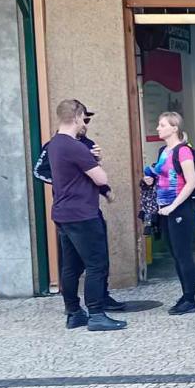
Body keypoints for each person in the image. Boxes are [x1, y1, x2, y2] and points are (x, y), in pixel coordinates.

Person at [47, 99, 126, 332]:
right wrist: (97, 162)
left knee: (71, 267)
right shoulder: (74, 146)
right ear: (77, 116)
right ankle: (97, 314)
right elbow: (101, 178)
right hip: (82, 213)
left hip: (63, 213)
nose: (85, 124)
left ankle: (74, 313)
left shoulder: (54, 144)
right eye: (84, 118)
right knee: (96, 265)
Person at [143, 112, 195, 315]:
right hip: (165, 208)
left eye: (162, 125)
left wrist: (173, 205)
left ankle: (190, 299)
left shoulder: (183, 151)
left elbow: (191, 182)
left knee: (183, 254)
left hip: (181, 209)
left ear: (174, 128)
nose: (158, 128)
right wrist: (150, 180)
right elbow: (163, 177)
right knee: (175, 254)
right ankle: (185, 295)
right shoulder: (163, 151)